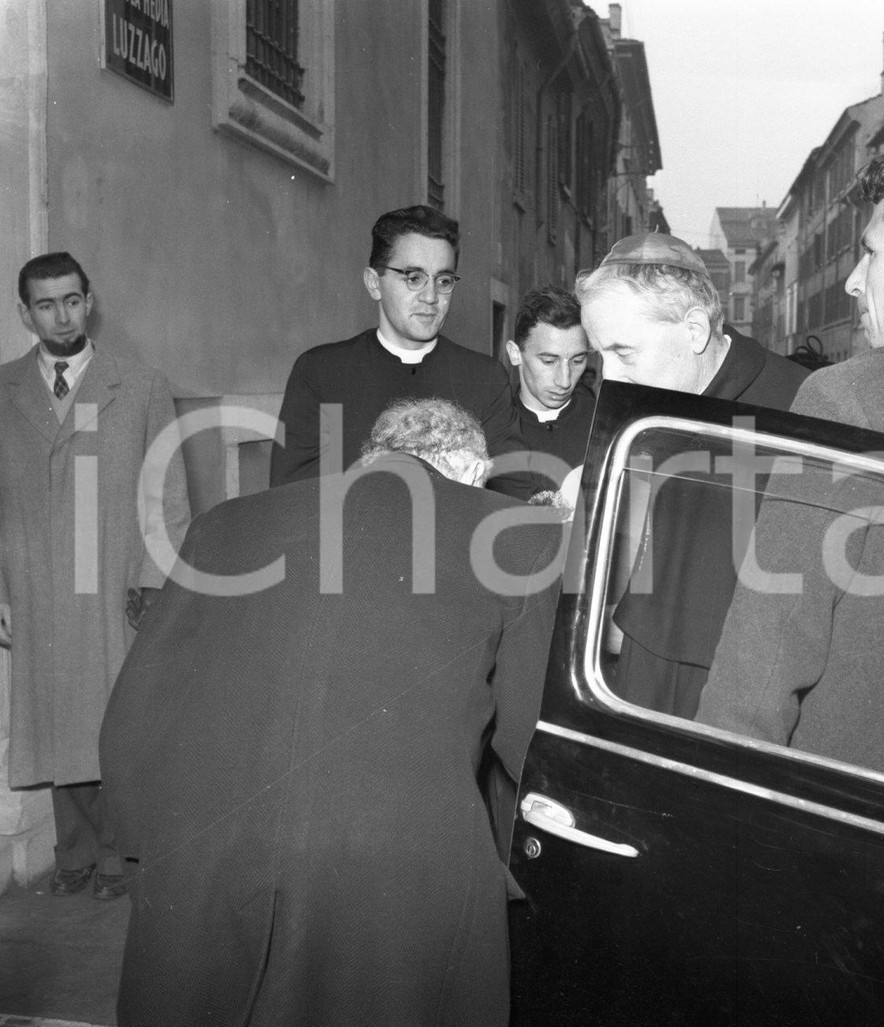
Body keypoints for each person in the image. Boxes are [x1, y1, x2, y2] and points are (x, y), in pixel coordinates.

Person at [99, 398, 564, 1026]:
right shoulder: (517, 535)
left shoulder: (226, 523)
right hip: (390, 872)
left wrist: (142, 855)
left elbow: (136, 709)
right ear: (469, 469)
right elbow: (531, 743)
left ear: (368, 459)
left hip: (203, 850)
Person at [697, 153, 884, 801]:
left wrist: (711, 804)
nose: (854, 281)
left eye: (871, 254)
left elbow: (768, 649)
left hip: (868, 817)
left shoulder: (849, 398)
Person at [0, 251, 190, 901]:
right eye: (46, 304)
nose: (62, 315)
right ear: (24, 313)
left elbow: (166, 490)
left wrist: (154, 576)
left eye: (72, 300)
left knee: (117, 721)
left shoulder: (137, 383)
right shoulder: (4, 389)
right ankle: (73, 854)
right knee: (58, 724)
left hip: (115, 578)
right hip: (37, 586)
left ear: (91, 300)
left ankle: (119, 859)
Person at [576, 233, 809, 717]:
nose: (609, 381)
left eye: (624, 351)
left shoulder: (802, 406)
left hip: (738, 705)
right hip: (636, 686)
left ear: (695, 330)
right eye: (600, 358)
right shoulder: (642, 409)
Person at [269, 204, 521, 486]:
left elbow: (508, 500)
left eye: (444, 280)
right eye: (414, 278)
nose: (431, 296)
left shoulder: (485, 380)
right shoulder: (321, 373)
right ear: (374, 284)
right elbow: (291, 499)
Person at [491, 285, 595, 502]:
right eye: (549, 361)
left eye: (577, 361)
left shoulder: (602, 425)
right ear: (515, 354)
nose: (565, 380)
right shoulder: (494, 428)